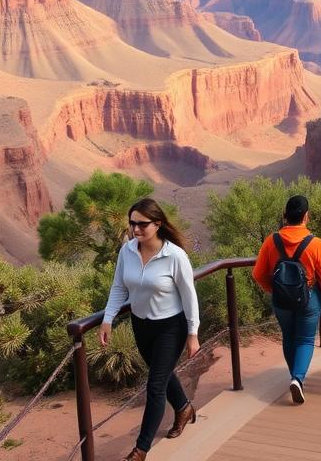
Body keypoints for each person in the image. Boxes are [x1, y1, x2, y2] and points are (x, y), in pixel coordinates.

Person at [100, 197, 200, 461]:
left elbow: (189, 297)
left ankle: (140, 449)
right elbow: (119, 287)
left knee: (155, 386)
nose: (136, 230)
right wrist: (108, 318)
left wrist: (193, 334)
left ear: (157, 224)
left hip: (171, 327)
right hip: (141, 324)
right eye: (132, 224)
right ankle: (183, 408)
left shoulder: (175, 256)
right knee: (163, 375)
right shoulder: (128, 251)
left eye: (142, 224)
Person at [252, 194, 321, 404]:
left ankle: (295, 377)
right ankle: (297, 378)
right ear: (306, 217)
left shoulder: (272, 241)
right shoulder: (315, 243)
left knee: (289, 336)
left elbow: (258, 273)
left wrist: (272, 289)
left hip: (281, 301)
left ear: (284, 216)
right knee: (306, 339)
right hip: (308, 299)